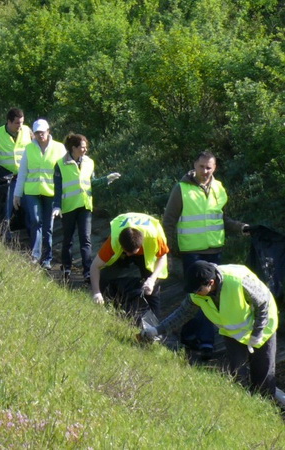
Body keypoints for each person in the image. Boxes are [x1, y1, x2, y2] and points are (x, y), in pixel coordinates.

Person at [142, 261, 278, 398]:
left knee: (263, 374)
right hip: (234, 331)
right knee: (237, 373)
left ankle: (265, 404)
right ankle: (243, 403)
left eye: (198, 290)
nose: (196, 293)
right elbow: (182, 314)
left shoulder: (238, 281)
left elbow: (263, 303)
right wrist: (157, 330)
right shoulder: (197, 292)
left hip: (263, 326)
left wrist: (257, 332)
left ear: (211, 283)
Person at [163, 150, 249, 358]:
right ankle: (207, 343)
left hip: (214, 251)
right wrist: (172, 250)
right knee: (203, 296)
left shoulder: (219, 188)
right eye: (201, 167)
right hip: (191, 252)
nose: (205, 171)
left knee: (199, 296)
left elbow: (221, 219)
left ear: (215, 167)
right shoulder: (181, 189)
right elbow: (169, 221)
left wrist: (240, 228)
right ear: (194, 165)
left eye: (209, 167)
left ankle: (189, 337)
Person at [52, 133, 121, 281]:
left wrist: (106, 180)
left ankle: (87, 271)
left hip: (85, 205)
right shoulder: (60, 164)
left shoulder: (89, 162)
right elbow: (57, 189)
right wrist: (56, 206)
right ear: (74, 148)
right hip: (68, 207)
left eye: (85, 147)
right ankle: (67, 268)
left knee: (85, 239)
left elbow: (93, 182)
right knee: (67, 239)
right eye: (82, 147)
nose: (85, 150)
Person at [90, 212, 169, 318]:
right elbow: (95, 266)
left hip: (146, 251)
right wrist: (96, 292)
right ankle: (100, 308)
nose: (128, 254)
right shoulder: (114, 241)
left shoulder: (155, 238)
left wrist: (152, 279)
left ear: (140, 246)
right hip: (125, 242)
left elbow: (162, 258)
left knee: (151, 290)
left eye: (131, 253)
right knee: (103, 278)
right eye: (126, 251)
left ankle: (155, 324)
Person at [13, 119, 65, 269]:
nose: (40, 135)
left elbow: (66, 172)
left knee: (48, 225)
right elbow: (22, 172)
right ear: (34, 134)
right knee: (35, 221)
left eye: (42, 132)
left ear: (48, 131)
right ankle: (36, 255)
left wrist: (63, 196)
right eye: (37, 133)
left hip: (51, 193)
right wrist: (17, 194)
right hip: (32, 191)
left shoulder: (59, 148)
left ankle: (47, 258)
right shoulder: (29, 148)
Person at [0, 107, 32, 240]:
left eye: (22, 122)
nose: (20, 125)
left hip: (26, 176)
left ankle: (31, 235)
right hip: (8, 178)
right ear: (9, 122)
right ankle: (4, 235)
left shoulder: (27, 131)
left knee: (29, 207)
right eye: (17, 123)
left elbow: (36, 146)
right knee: (7, 207)